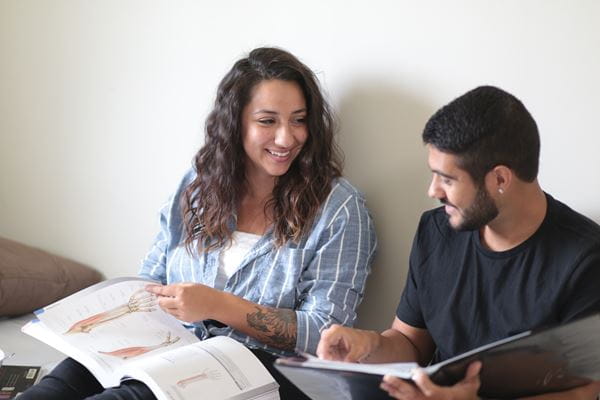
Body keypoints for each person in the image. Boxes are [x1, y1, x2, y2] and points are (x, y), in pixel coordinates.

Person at [21, 47, 377, 400]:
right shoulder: (198, 186)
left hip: (261, 369)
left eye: (298, 120)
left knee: (131, 395)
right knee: (60, 383)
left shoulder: (339, 207)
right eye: (267, 121)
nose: (287, 138)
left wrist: (217, 306)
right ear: (235, 122)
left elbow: (324, 336)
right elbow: (152, 279)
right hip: (172, 344)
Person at [316, 86, 600, 399]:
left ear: (500, 180)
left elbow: (585, 393)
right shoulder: (437, 231)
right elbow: (410, 345)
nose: (433, 191)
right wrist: (367, 346)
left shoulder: (585, 259)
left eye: (447, 179)